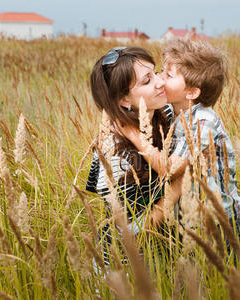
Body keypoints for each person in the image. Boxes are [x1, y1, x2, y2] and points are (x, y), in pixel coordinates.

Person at [120, 39, 240, 240]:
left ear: (192, 92)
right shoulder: (174, 113)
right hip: (188, 218)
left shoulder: (204, 121)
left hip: (219, 222)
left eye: (168, 75)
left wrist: (134, 135)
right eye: (161, 71)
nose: (159, 80)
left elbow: (170, 169)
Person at [85, 46, 173, 265]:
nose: (160, 82)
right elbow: (130, 231)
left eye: (156, 73)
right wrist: (178, 189)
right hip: (124, 267)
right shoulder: (114, 153)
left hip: (164, 257)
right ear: (124, 100)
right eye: (147, 81)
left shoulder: (167, 113)